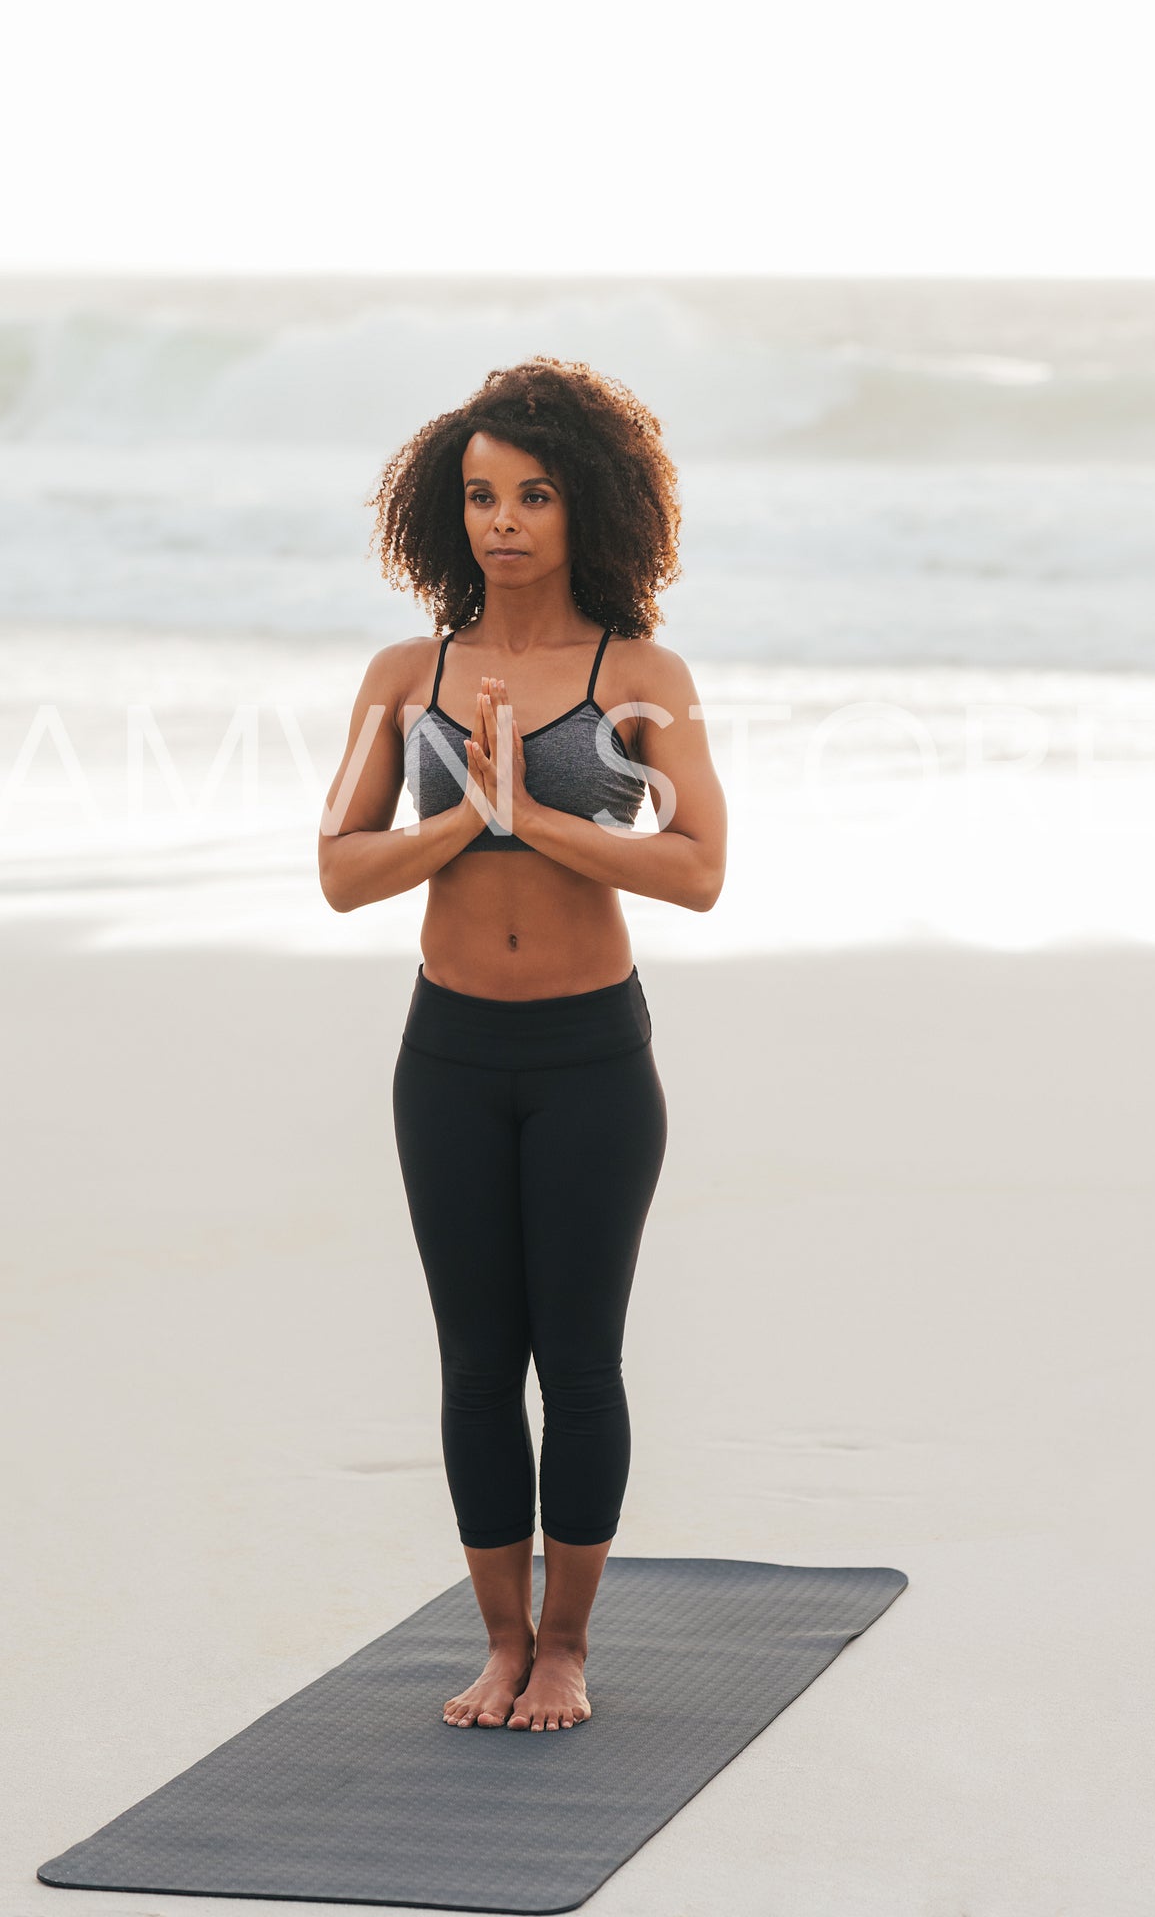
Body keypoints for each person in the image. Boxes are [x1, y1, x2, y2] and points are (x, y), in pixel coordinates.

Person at [317, 356, 726, 1732]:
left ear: (587, 509)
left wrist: (533, 814)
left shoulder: (639, 675)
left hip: (589, 1063)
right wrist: (463, 816)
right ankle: (497, 1643)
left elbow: (696, 870)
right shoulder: (404, 674)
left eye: (533, 495)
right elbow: (340, 868)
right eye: (481, 494)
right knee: (477, 1360)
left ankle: (567, 1649)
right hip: (447, 1058)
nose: (502, 520)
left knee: (581, 1357)